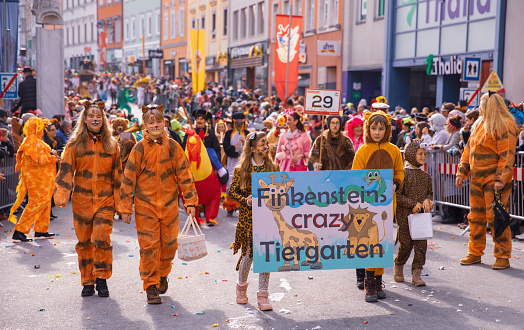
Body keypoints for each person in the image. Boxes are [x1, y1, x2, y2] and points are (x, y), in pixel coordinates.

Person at [120, 105, 198, 304]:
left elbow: (185, 174)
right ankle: (151, 286)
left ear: (164, 123)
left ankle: (163, 273)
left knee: (169, 245)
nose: (155, 125)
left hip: (170, 205)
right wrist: (125, 207)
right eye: (151, 122)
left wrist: (190, 201)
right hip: (145, 207)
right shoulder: (139, 148)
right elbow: (128, 178)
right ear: (145, 125)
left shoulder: (173, 146)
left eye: (158, 121)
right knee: (149, 247)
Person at [54, 101, 122, 298]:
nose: (95, 118)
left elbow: (118, 176)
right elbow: (66, 170)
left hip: (105, 200)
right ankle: (87, 281)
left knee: (101, 238)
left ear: (103, 120)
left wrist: (121, 203)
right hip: (82, 201)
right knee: (84, 242)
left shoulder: (112, 145)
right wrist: (61, 193)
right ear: (84, 119)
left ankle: (101, 278)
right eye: (91, 115)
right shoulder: (74, 144)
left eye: (99, 116)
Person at [456, 93, 518, 270]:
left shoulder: (505, 124)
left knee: (496, 218)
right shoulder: (479, 123)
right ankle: (474, 252)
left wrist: (500, 178)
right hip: (477, 177)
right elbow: (469, 149)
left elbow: (506, 155)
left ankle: (503, 255)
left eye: (482, 104)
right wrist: (462, 172)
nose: (480, 108)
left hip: (494, 180)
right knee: (475, 217)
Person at [352, 111, 404, 302]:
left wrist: (396, 184)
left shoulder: (394, 150)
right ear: (368, 129)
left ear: (387, 130)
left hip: (387, 206)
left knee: (382, 241)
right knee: (368, 242)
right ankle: (368, 282)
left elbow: (400, 173)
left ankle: (378, 280)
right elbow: (355, 176)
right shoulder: (363, 151)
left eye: (381, 128)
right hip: (366, 207)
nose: (377, 132)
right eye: (373, 128)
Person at [229, 131, 278, 311]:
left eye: (267, 143)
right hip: (248, 218)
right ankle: (241, 289)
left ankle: (263, 295)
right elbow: (232, 192)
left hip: (268, 218)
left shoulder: (273, 168)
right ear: (253, 148)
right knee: (249, 254)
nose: (266, 147)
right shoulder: (241, 169)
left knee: (266, 255)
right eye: (263, 144)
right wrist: (246, 200)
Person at [9, 117, 60, 241]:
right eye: (41, 127)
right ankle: (20, 230)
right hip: (36, 179)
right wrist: (53, 157)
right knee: (36, 203)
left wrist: (52, 156)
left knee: (45, 203)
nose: (42, 130)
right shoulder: (31, 141)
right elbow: (39, 160)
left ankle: (41, 229)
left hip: (44, 179)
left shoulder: (37, 141)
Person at [394, 141, 433, 287]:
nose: (423, 157)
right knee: (406, 244)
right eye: (420, 154)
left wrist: (428, 200)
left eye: (424, 154)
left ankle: (417, 273)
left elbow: (430, 193)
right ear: (411, 155)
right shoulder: (403, 175)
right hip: (405, 215)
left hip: (421, 217)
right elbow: (398, 196)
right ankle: (399, 264)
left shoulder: (426, 176)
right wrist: (412, 204)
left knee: (421, 245)